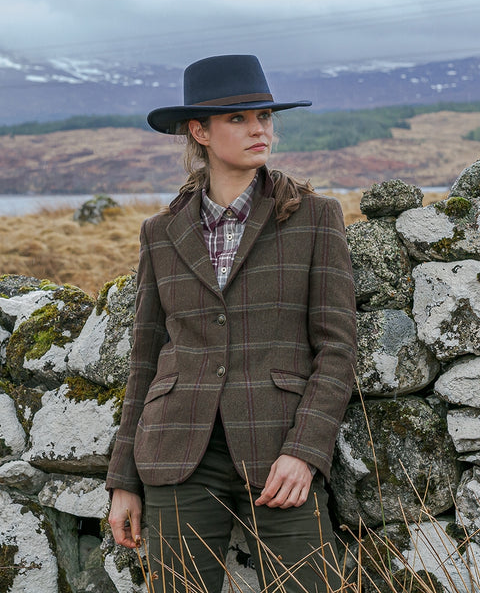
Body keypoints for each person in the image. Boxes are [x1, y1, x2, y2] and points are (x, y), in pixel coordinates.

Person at [106, 54, 357, 593]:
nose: (259, 128)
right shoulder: (161, 231)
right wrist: (123, 481)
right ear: (198, 131)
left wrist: (305, 451)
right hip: (177, 453)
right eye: (238, 119)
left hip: (279, 451)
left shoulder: (315, 217)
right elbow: (145, 358)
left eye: (264, 116)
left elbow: (337, 348)